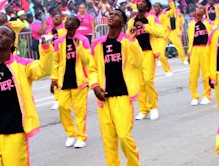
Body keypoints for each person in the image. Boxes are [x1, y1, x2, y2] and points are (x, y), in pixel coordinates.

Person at [89, 9, 143, 166]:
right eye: (111, 14)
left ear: (123, 23)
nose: (112, 16)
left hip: (123, 97)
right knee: (109, 141)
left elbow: (138, 62)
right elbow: (92, 69)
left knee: (124, 136)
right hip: (104, 99)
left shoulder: (127, 41)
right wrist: (95, 86)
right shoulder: (98, 44)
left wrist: (133, 41)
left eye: (116, 15)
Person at [0, 25, 53, 166]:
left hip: (14, 130)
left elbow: (43, 69)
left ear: (12, 42)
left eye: (4, 34)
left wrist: (46, 49)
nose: (0, 36)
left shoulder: (22, 65)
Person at [50, 15, 91, 148]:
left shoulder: (83, 40)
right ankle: (70, 133)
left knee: (80, 111)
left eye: (70, 20)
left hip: (80, 81)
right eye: (66, 20)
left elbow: (88, 61)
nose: (66, 21)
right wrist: (54, 78)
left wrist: (79, 48)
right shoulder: (59, 42)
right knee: (62, 107)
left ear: (76, 25)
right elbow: (55, 61)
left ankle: (81, 137)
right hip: (64, 81)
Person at [128, 0, 165, 121]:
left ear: (147, 7)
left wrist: (145, 26)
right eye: (139, 2)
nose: (140, 4)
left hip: (148, 52)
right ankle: (143, 109)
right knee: (140, 83)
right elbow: (128, 38)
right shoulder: (131, 21)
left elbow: (161, 33)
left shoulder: (152, 19)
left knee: (148, 80)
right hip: (136, 54)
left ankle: (153, 107)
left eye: (143, 3)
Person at [187, 4, 214, 106]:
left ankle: (207, 95)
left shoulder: (208, 22)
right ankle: (194, 96)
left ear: (204, 12)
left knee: (206, 73)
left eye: (201, 8)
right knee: (193, 75)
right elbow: (190, 39)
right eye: (197, 7)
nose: (199, 9)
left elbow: (214, 33)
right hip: (194, 50)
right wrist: (189, 53)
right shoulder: (190, 24)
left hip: (205, 49)